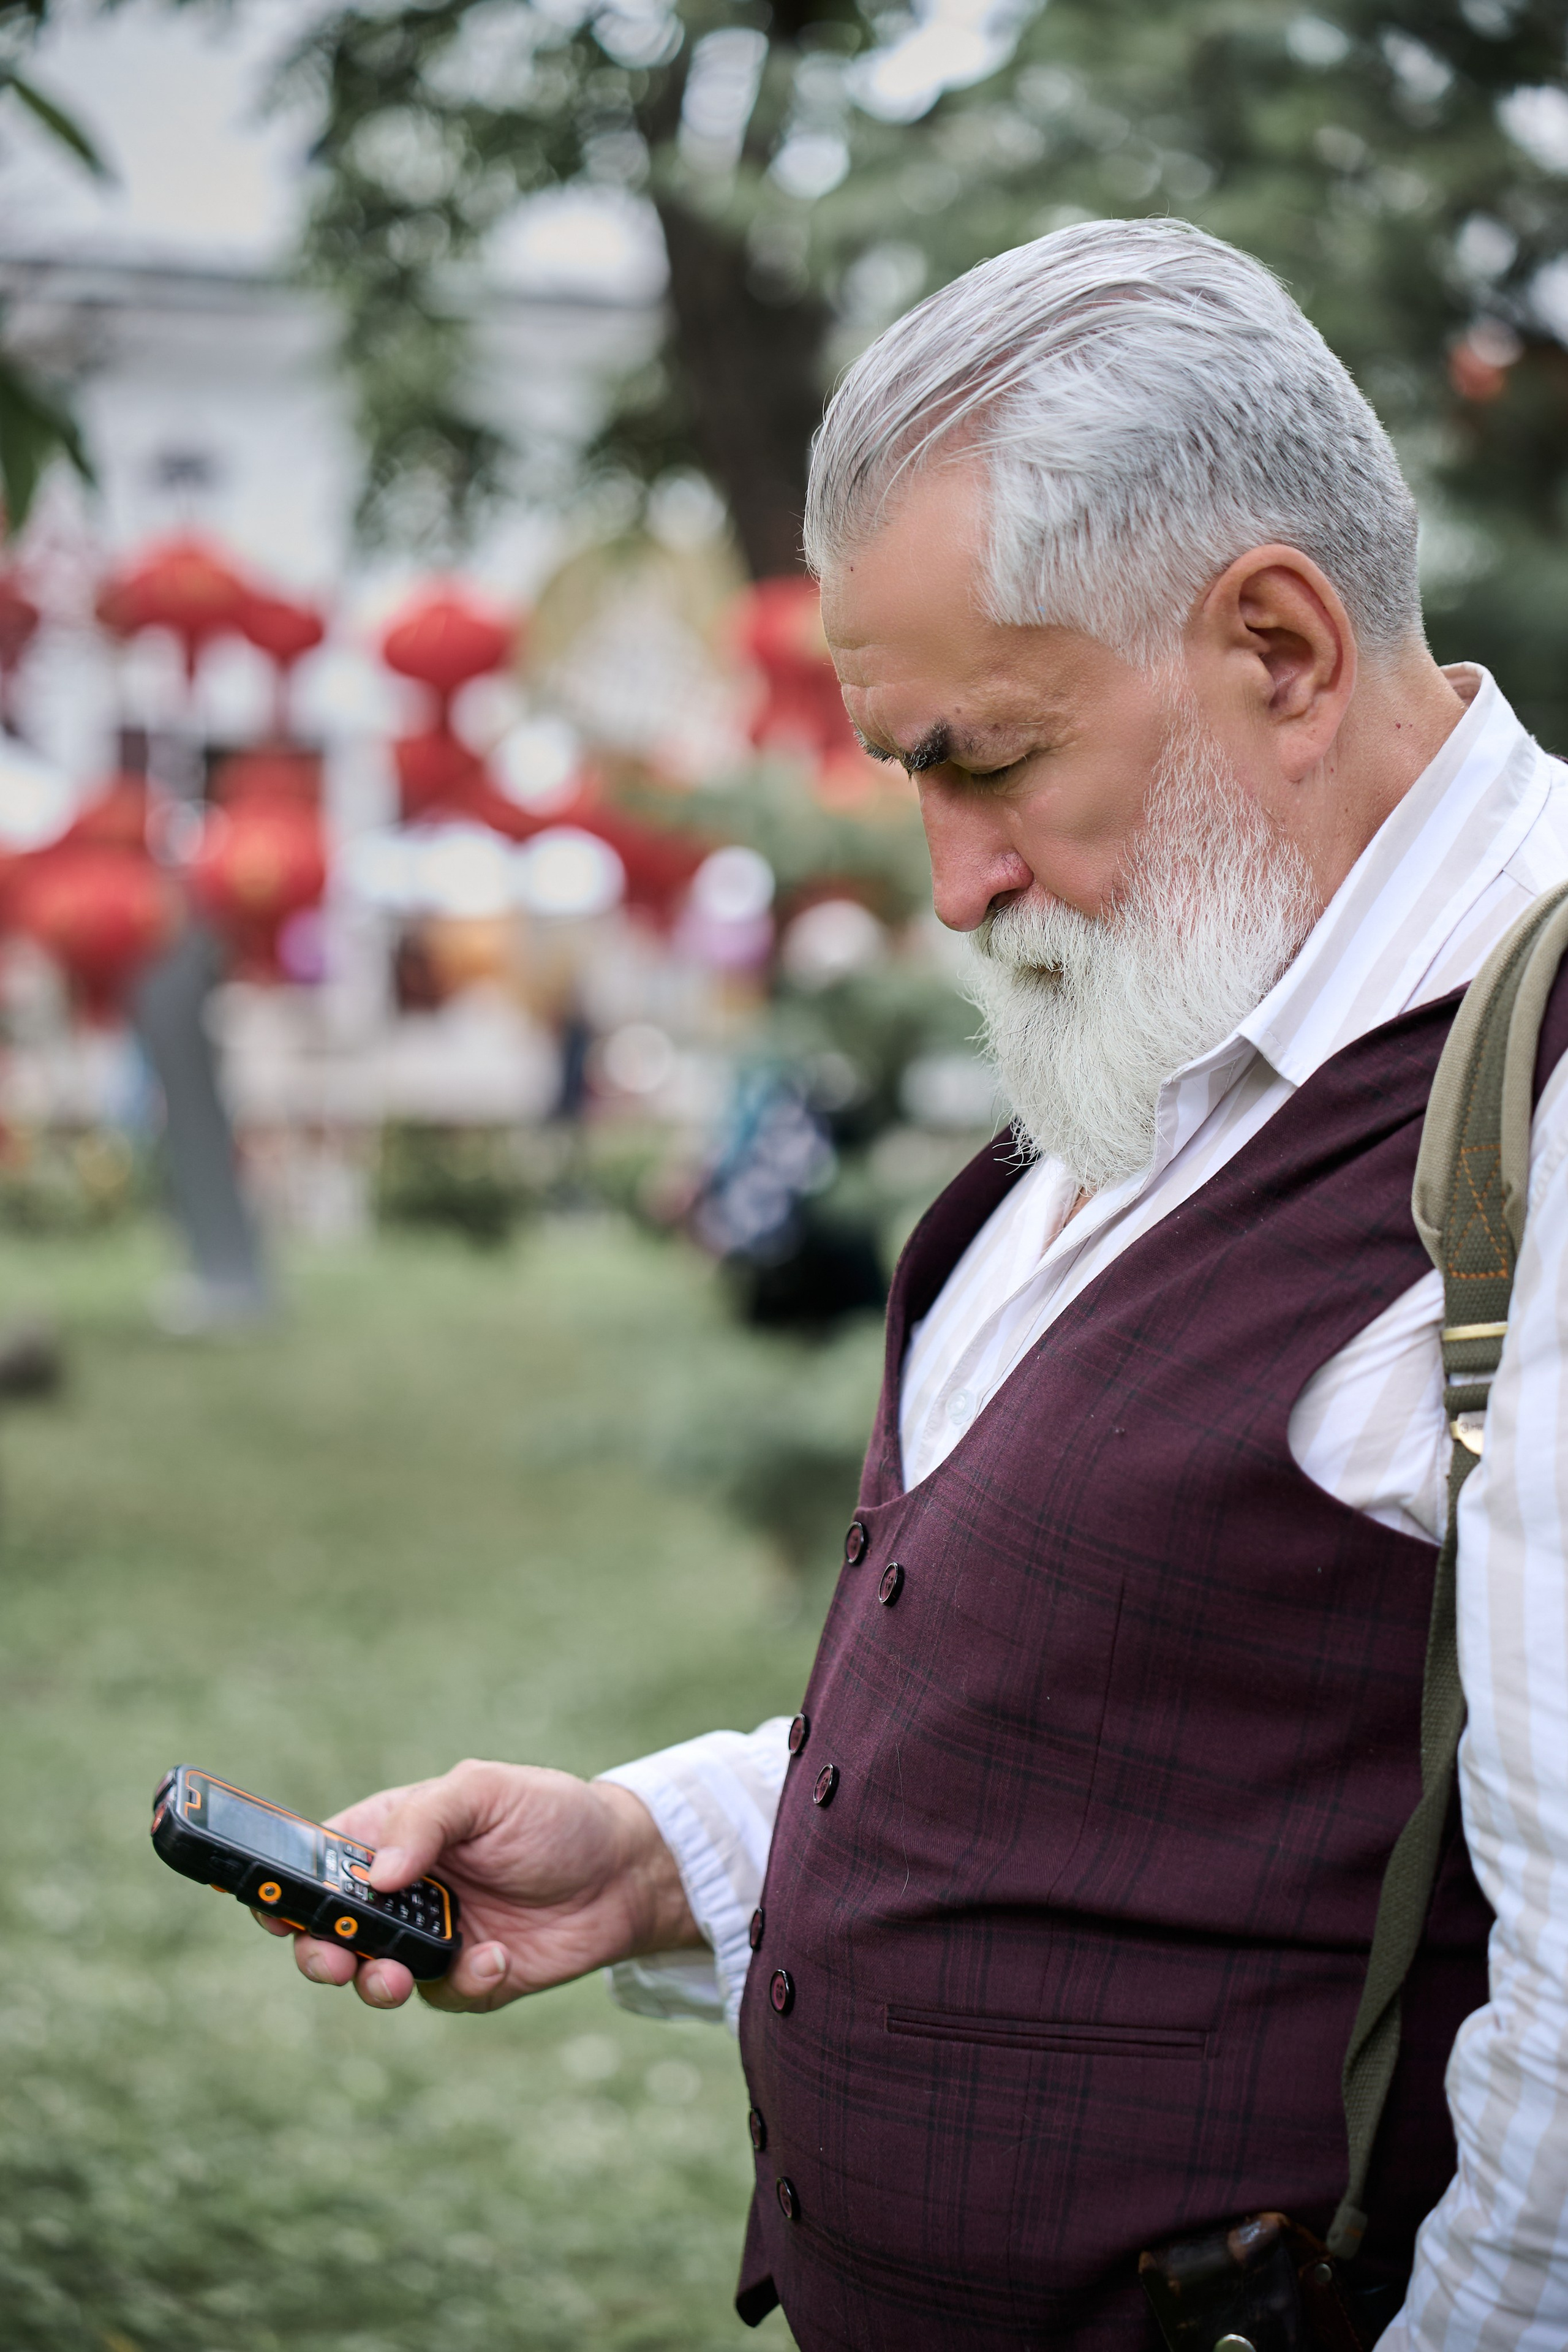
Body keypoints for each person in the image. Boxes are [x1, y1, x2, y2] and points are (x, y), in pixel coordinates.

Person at [258, 221, 1568, 2349]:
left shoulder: (1544, 1084)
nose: (953, 884)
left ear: (1280, 648)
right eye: (912, 775)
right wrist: (656, 1849)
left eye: (989, 758)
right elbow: (1119, 1719)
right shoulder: (1205, 973)